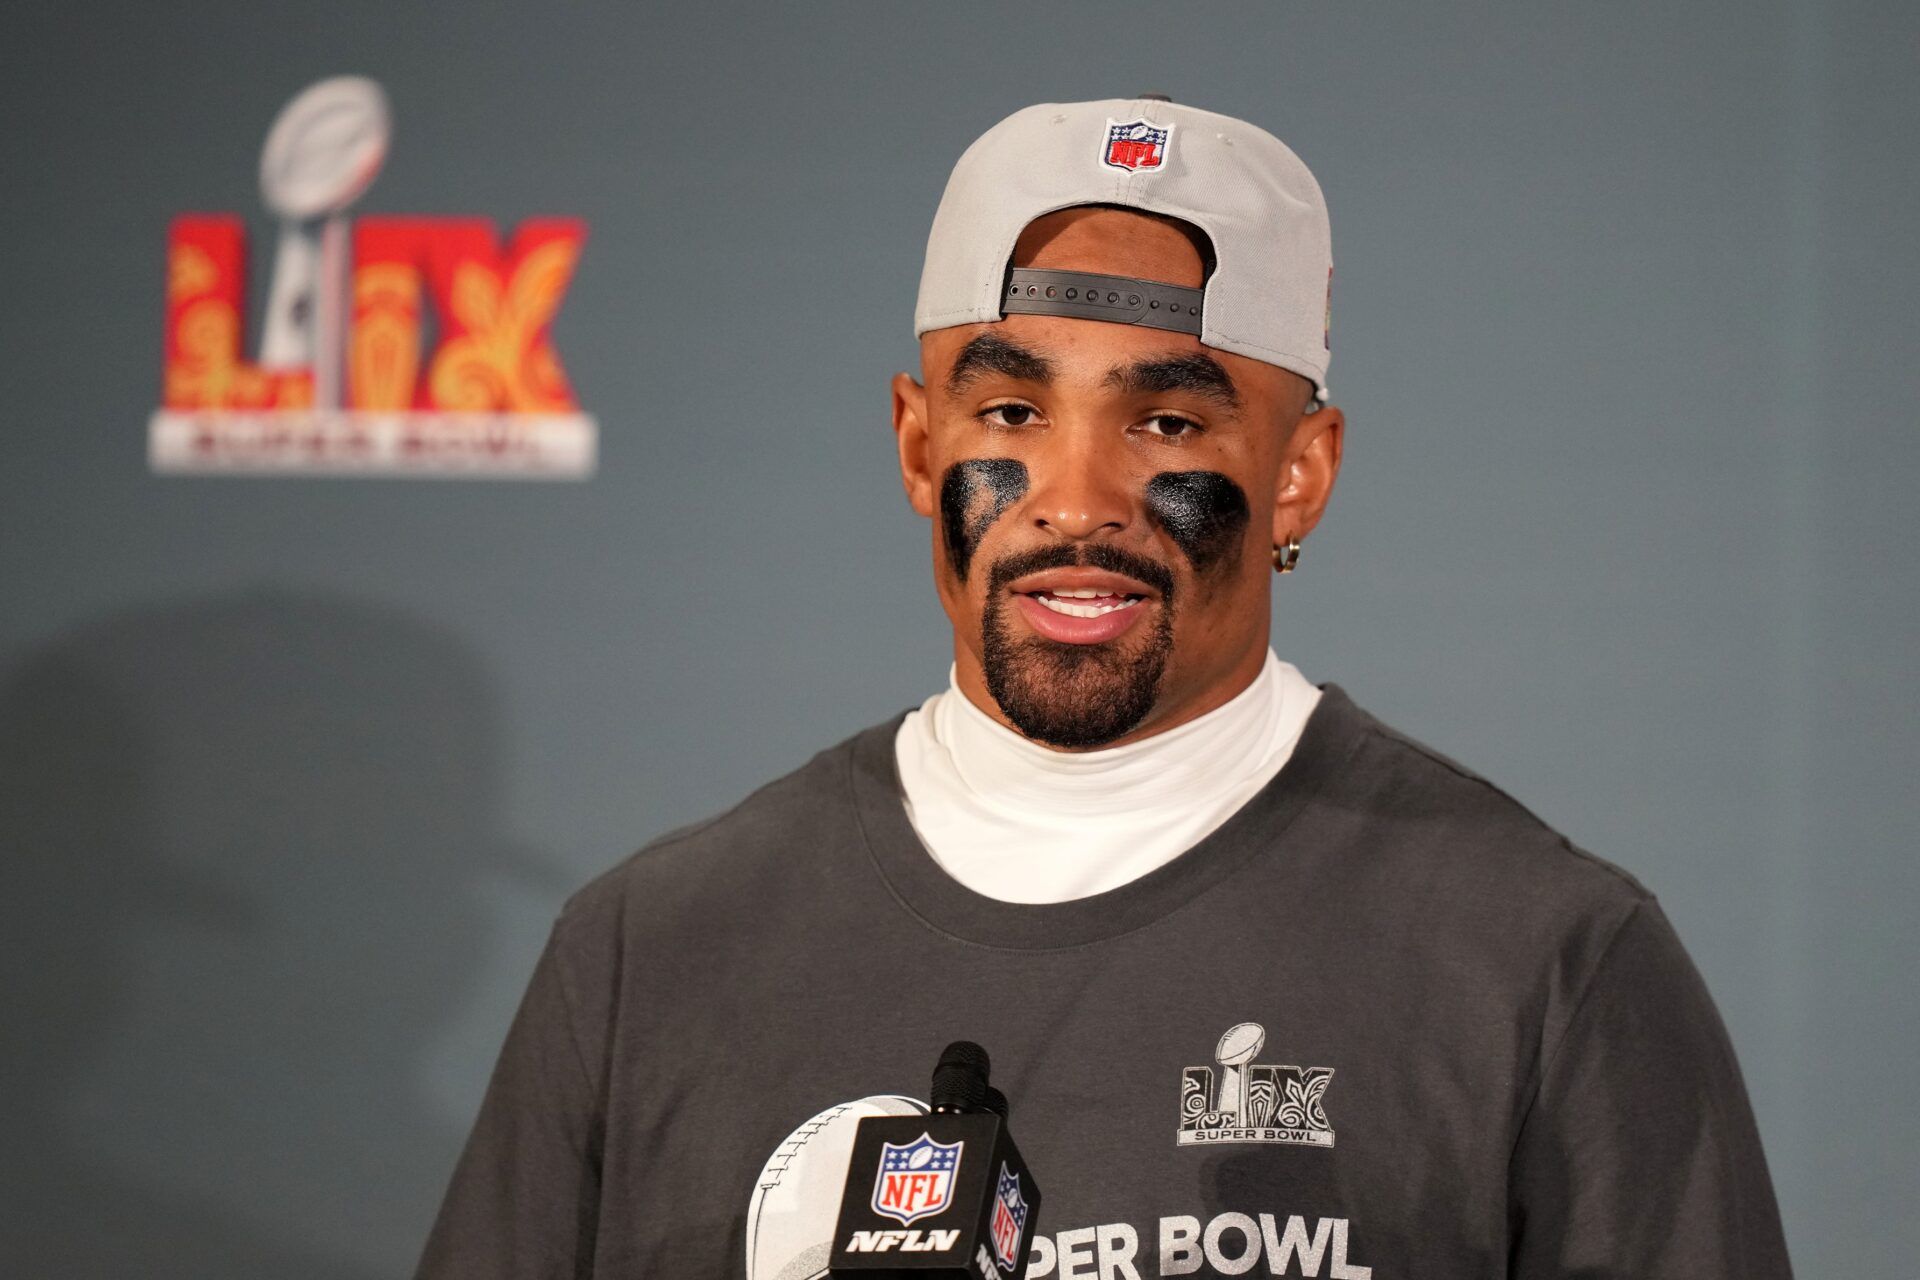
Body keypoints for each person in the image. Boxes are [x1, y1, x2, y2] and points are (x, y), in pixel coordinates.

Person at [417, 97, 1793, 1279]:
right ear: (916, 443)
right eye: (1011, 414)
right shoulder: (648, 956)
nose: (1074, 504)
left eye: (1169, 424)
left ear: (1299, 471)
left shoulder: (1547, 962)